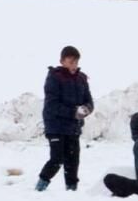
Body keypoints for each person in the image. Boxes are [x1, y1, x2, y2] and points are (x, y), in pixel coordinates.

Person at [35, 45, 94, 191]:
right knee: (57, 159)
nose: (74, 65)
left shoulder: (82, 79)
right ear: (62, 61)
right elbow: (52, 105)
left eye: (76, 62)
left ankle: (71, 189)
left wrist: (86, 109)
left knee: (73, 161)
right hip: (55, 126)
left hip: (73, 127)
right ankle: (40, 186)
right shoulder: (54, 77)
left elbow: (89, 101)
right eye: (70, 61)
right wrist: (74, 112)